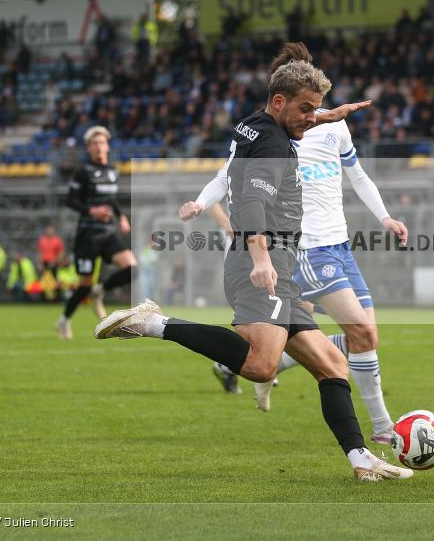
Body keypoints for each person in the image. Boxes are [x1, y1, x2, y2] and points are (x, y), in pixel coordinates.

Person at [94, 60, 412, 482]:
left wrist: (326, 117)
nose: (310, 117)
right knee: (262, 365)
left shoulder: (256, 125)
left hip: (281, 265)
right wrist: (262, 259)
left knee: (333, 363)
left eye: (315, 109)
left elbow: (259, 150)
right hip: (263, 262)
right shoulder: (273, 147)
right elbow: (250, 206)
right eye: (305, 109)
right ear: (280, 102)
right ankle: (152, 323)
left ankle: (361, 460)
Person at [180, 42, 406, 444]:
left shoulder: (327, 124)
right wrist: (201, 202)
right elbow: (232, 175)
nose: (309, 113)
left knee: (357, 336)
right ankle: (382, 429)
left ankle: (254, 363)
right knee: (362, 335)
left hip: (339, 242)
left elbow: (357, 175)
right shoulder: (276, 132)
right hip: (305, 245)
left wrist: (385, 216)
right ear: (281, 91)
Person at [55, 126, 138, 339]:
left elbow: (109, 198)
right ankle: (64, 320)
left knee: (132, 268)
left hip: (108, 234)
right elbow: (70, 200)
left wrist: (120, 216)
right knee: (83, 285)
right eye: (94, 143)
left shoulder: (113, 170)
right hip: (87, 237)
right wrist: (92, 211)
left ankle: (99, 289)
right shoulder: (83, 172)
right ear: (89, 148)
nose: (99, 146)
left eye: (102, 142)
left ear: (107, 146)